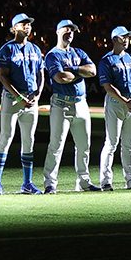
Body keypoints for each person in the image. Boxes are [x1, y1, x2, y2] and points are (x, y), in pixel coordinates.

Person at [42, 19, 100, 193]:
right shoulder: (52, 55)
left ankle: (84, 181)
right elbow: (60, 78)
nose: (69, 32)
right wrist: (81, 72)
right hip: (62, 104)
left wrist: (73, 69)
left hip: (81, 103)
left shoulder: (78, 52)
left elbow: (93, 71)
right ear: (57, 31)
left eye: (72, 30)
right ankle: (50, 183)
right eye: (66, 29)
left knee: (84, 145)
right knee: (56, 145)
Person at [0, 13, 45, 195]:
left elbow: (40, 73)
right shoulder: (7, 49)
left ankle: (27, 183)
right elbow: (2, 76)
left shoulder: (35, 49)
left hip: (31, 99)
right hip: (12, 99)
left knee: (29, 141)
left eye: (29, 23)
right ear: (14, 28)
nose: (27, 26)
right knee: (5, 138)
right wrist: (19, 97)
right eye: (23, 24)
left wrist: (38, 94)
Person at [98, 26, 131, 191]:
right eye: (122, 37)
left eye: (127, 37)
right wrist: (126, 100)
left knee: (128, 145)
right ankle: (105, 181)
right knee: (111, 143)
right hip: (116, 103)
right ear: (114, 39)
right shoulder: (107, 60)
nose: (126, 40)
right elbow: (107, 86)